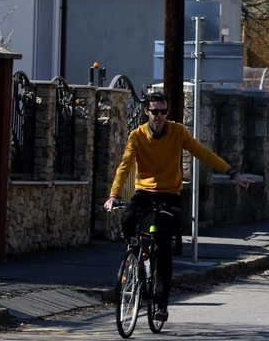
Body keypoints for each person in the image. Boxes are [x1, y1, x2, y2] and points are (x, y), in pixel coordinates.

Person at [103, 90, 252, 321]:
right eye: (155, 112)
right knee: (127, 220)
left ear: (167, 112)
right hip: (144, 192)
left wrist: (233, 173)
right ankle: (136, 257)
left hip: (169, 194)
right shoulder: (137, 135)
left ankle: (161, 304)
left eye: (163, 111)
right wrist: (114, 195)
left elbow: (203, 153)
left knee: (163, 248)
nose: (159, 116)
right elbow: (125, 166)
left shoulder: (178, 132)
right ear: (146, 112)